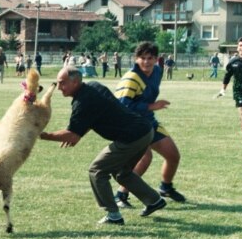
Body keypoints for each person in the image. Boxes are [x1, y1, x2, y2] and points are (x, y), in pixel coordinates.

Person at [39, 66, 167, 225]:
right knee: (122, 172)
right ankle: (154, 200)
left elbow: (72, 135)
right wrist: (77, 132)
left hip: (131, 137)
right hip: (144, 131)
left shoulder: (82, 102)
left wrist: (40, 135)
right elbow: (93, 117)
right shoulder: (94, 86)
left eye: (62, 83)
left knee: (97, 170)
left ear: (76, 82)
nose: (59, 87)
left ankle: (113, 215)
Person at [113, 42, 185, 207]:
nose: (146, 62)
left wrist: (149, 109)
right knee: (145, 158)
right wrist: (152, 106)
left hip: (148, 121)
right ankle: (120, 195)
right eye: (142, 58)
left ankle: (166, 188)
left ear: (156, 59)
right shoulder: (131, 78)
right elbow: (122, 106)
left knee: (173, 155)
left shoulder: (157, 71)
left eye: (150, 58)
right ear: (135, 59)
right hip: (131, 125)